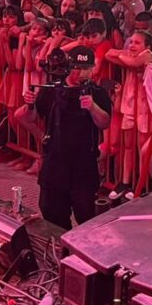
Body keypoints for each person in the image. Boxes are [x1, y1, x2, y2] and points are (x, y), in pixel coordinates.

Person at [14, 46, 112, 229]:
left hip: (84, 165)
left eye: (86, 68)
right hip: (54, 163)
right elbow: (28, 119)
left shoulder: (98, 93)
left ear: (92, 68)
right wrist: (30, 105)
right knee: (51, 212)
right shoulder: (52, 90)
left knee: (87, 216)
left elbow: (105, 122)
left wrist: (92, 108)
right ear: (68, 66)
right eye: (75, 66)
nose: (80, 72)